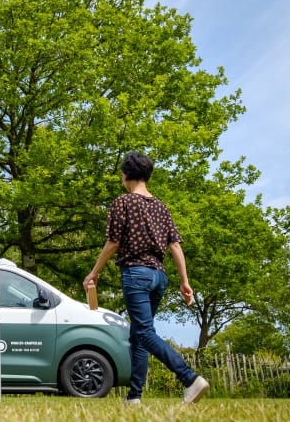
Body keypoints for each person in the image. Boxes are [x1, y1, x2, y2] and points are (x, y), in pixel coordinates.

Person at [83, 151, 209, 404]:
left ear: (127, 173)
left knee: (145, 333)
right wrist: (184, 282)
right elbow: (175, 246)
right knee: (139, 336)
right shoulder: (161, 207)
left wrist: (94, 272)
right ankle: (134, 398)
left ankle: (190, 379)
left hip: (136, 274)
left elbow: (113, 242)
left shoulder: (123, 202)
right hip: (159, 277)